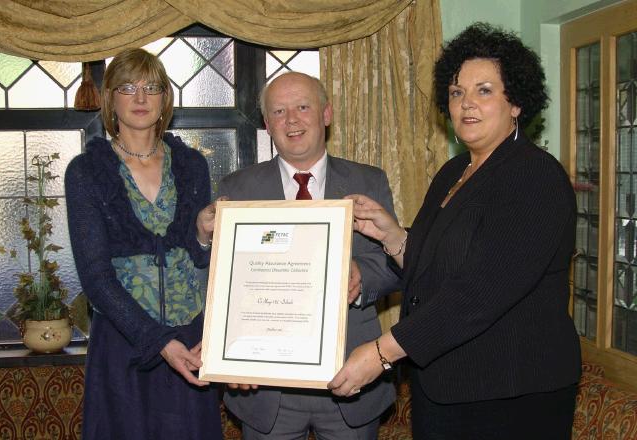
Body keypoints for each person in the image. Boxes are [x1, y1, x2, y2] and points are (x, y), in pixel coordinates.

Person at [328, 23, 582, 439]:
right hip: (444, 386)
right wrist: (394, 237)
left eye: (484, 90)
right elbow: (438, 273)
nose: (467, 104)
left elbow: (480, 291)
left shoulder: (533, 176)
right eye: (456, 92)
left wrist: (380, 353)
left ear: (516, 101)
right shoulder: (453, 172)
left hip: (510, 395)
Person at [216, 72, 401, 439]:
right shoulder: (236, 189)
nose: (292, 120)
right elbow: (222, 283)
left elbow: (396, 263)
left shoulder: (369, 181)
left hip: (351, 378)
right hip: (266, 390)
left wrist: (361, 274)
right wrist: (227, 353)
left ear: (326, 113)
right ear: (268, 124)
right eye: (279, 111)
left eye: (303, 107)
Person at [65, 48, 222, 440]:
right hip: (124, 348)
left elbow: (200, 261)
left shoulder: (192, 164)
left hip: (192, 343)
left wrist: (203, 235)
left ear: (165, 98)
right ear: (110, 98)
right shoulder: (86, 171)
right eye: (127, 87)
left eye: (151, 87)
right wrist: (158, 341)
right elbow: (96, 278)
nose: (140, 98)